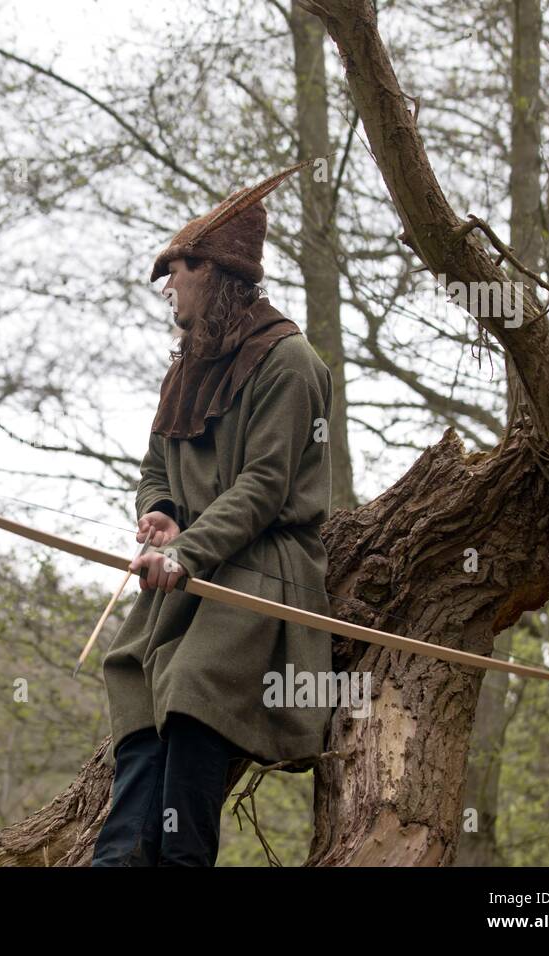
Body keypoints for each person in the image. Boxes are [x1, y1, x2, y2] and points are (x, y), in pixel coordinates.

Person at [91, 160, 335, 867]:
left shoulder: (290, 362)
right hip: (189, 565)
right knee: (133, 665)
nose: (168, 287)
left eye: (179, 270)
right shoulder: (187, 366)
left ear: (216, 271)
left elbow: (263, 486)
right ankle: (121, 857)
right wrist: (161, 513)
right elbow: (155, 467)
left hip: (262, 568)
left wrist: (187, 552)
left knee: (193, 682)